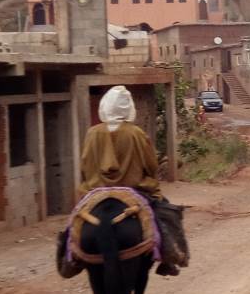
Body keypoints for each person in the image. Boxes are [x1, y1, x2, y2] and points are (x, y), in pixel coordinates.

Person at [79, 86, 189, 276]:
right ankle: (169, 258)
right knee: (168, 215)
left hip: (96, 190)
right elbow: (151, 166)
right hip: (135, 189)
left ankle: (69, 258)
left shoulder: (92, 133)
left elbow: (85, 164)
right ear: (128, 108)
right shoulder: (136, 133)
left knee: (74, 221)